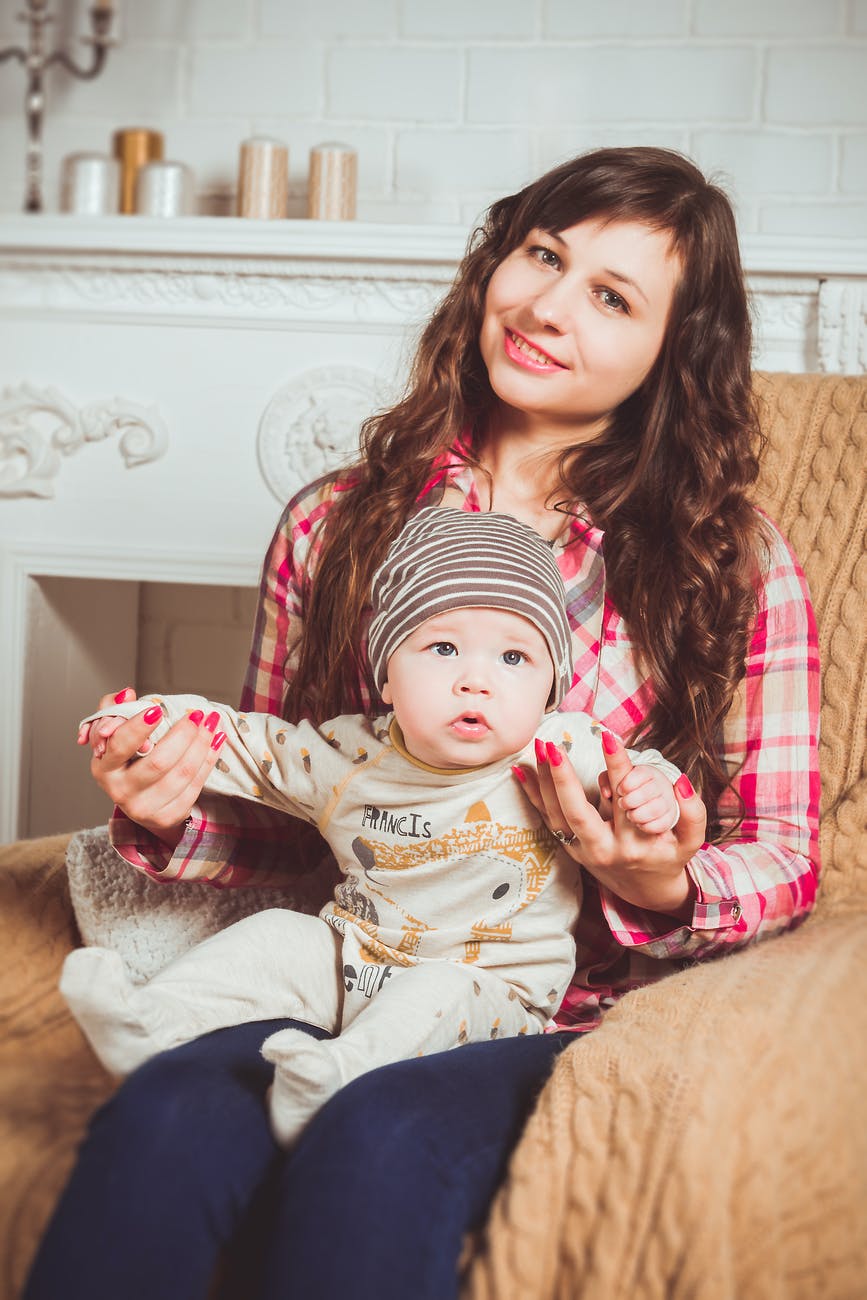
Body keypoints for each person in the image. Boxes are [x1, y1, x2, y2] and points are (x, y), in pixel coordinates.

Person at [25, 146, 820, 1300]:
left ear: (672, 352)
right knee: (163, 1119)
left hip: (544, 1002)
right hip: (353, 957)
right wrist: (170, 804)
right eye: (542, 255)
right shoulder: (334, 523)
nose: (548, 304)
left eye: (612, 295)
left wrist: (659, 882)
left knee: (378, 1142)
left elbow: (786, 852)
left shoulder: (731, 560)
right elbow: (301, 809)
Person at [61, 507, 680, 1145]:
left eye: (515, 656)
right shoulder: (347, 756)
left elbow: (637, 774)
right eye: (443, 648)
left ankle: (335, 1076)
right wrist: (150, 720)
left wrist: (652, 793)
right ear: (387, 675)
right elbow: (243, 741)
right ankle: (150, 1020)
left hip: (489, 993)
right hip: (355, 960)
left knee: (435, 990)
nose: (476, 681)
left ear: (553, 686)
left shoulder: (560, 748)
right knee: (276, 934)